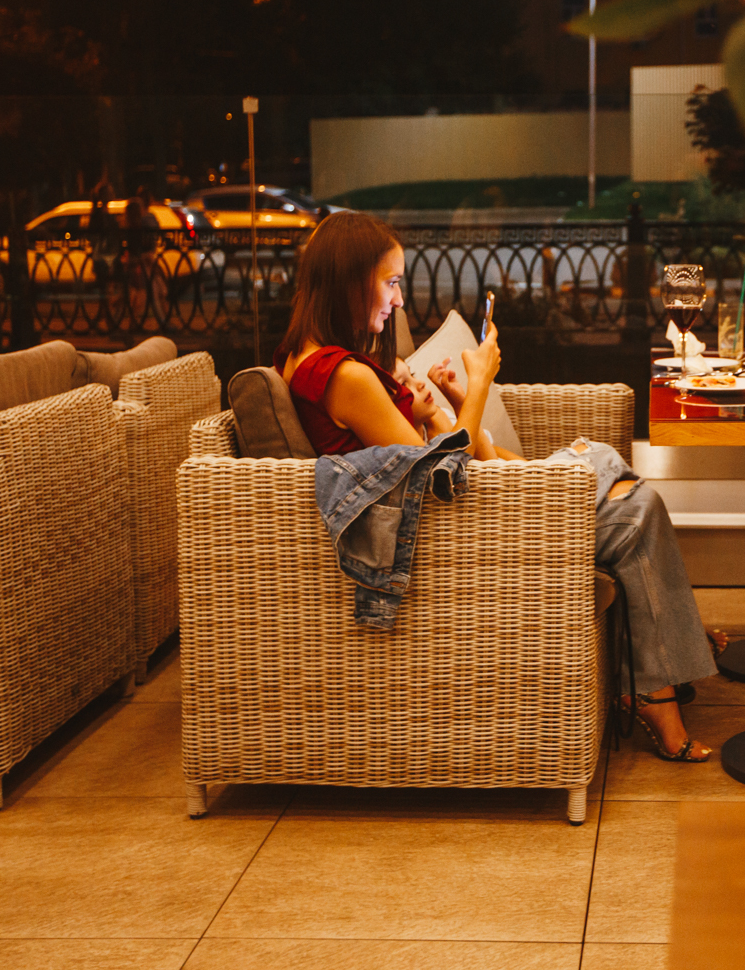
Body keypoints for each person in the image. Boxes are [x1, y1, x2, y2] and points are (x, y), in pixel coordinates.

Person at [275, 211, 722, 763]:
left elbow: (428, 451)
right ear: (348, 282)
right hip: (454, 533)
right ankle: (659, 687)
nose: (399, 300)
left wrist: (442, 406)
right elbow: (440, 472)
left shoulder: (311, 358)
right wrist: (480, 379)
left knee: (611, 477)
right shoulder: (345, 376)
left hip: (461, 509)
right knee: (636, 508)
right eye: (390, 283)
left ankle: (668, 658)